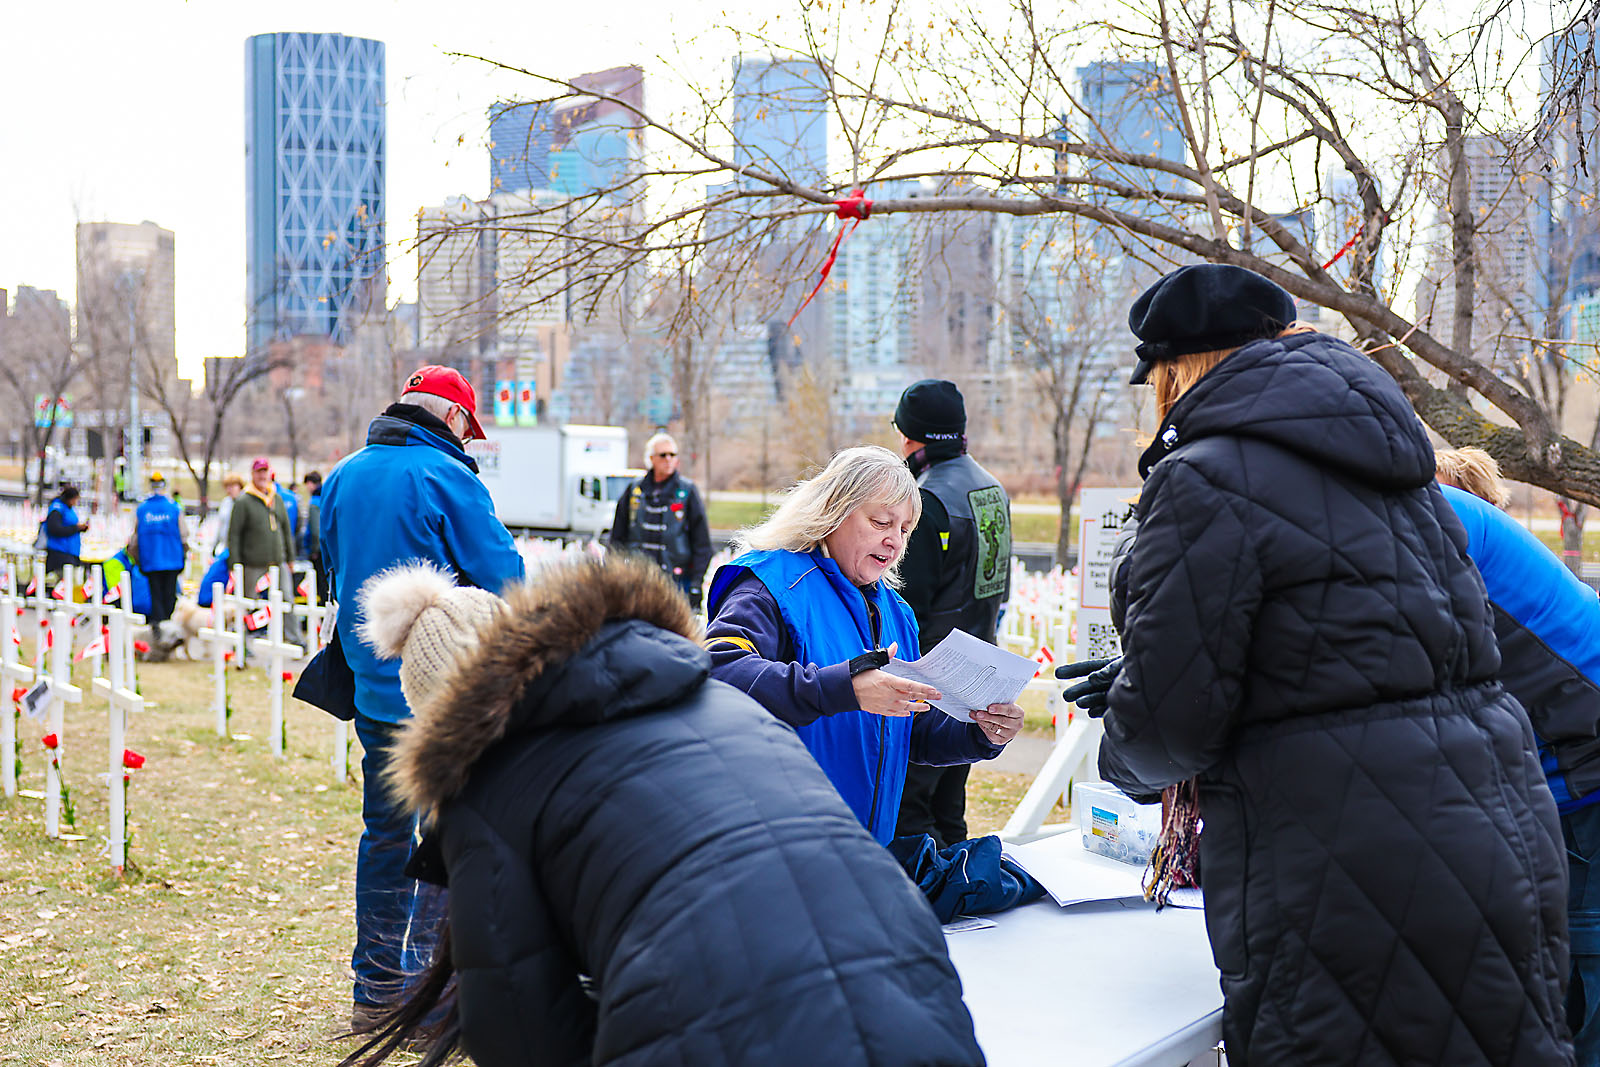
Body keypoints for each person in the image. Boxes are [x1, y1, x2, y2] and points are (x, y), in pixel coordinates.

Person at [1058, 263, 1573, 1065]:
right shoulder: (1405, 479)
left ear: (1180, 371)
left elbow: (1168, 730)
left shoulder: (1203, 478)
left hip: (1341, 857)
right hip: (1494, 826)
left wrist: (1122, 736)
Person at [338, 554, 985, 1067]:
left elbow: (520, 1028)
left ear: (453, 721)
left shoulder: (497, 790)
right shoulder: (710, 692)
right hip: (920, 993)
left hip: (728, 1031)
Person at [320, 365, 525, 1033]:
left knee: (383, 834)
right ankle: (432, 1004)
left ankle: (376, 991)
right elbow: (507, 578)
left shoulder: (345, 474)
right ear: (456, 417)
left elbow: (330, 567)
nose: (471, 438)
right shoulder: (448, 477)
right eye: (471, 425)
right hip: (442, 691)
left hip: (375, 692)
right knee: (450, 839)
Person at [704, 445, 1023, 845]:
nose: (894, 542)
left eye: (905, 530)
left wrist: (980, 731)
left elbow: (909, 729)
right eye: (880, 522)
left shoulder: (896, 612)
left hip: (864, 852)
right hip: (779, 847)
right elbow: (720, 671)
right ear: (833, 511)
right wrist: (843, 689)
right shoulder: (772, 585)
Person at [1436, 446, 1600, 1065]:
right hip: (1563, 762)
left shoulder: (1432, 519)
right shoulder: (1447, 517)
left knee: (1583, 964)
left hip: (1583, 765)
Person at [891, 379, 1013, 847]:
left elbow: (908, 602)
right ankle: (963, 898)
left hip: (931, 673)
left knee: (912, 809)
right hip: (981, 664)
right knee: (951, 805)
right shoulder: (991, 488)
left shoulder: (926, 500)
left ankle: (926, 909)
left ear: (910, 435)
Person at [606, 432, 712, 608]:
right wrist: (613, 573)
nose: (668, 459)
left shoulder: (687, 492)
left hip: (676, 581)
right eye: (663, 455)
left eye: (673, 454)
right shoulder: (634, 491)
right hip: (637, 579)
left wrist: (695, 583)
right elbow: (616, 539)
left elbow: (703, 544)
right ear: (651, 459)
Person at [227, 459, 293, 601]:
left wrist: (290, 557)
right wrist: (234, 563)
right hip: (253, 563)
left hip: (277, 561)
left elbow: (286, 530)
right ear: (253, 474)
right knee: (252, 602)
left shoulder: (276, 499)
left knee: (287, 600)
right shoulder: (243, 501)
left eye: (265, 472)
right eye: (259, 472)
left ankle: (289, 625)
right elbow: (234, 534)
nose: (262, 476)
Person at [134, 470, 186, 626]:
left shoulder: (142, 509)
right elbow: (184, 534)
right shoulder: (174, 507)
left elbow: (135, 537)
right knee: (170, 594)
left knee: (155, 595)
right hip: (172, 559)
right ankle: (169, 626)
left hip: (151, 560)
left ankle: (159, 628)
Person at [42, 485, 89, 577]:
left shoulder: (68, 508)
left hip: (70, 551)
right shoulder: (57, 509)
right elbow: (55, 529)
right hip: (60, 553)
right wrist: (76, 528)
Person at [302, 470, 324, 602]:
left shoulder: (314, 502)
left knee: (320, 584)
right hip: (328, 548)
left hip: (319, 551)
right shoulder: (326, 497)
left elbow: (315, 529)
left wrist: (314, 549)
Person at [212, 473, 245, 556]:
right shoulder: (225, 502)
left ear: (240, 487)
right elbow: (220, 526)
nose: (229, 490)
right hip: (225, 547)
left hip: (240, 548)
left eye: (232, 486)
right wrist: (215, 545)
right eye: (227, 487)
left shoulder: (245, 503)